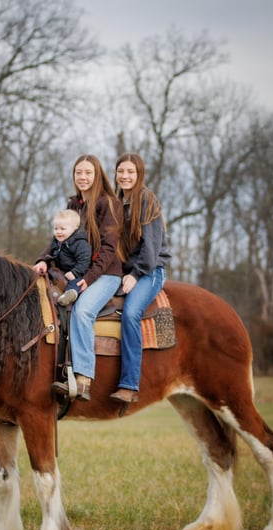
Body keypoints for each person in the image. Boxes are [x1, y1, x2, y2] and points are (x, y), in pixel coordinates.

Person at [33, 154, 122, 401]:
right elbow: (57, 239)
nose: (82, 177)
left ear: (97, 175)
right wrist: (42, 259)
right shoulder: (73, 206)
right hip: (76, 273)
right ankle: (58, 371)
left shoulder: (109, 204)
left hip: (105, 274)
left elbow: (108, 248)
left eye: (88, 173)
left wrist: (89, 278)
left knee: (82, 311)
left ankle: (83, 380)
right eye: (78, 173)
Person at [108, 152, 171, 404]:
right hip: (124, 271)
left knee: (131, 312)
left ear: (139, 174)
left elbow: (152, 247)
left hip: (150, 269)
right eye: (121, 171)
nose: (125, 176)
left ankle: (129, 384)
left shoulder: (147, 200)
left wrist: (136, 274)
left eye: (130, 172)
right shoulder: (115, 202)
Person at [34, 209, 92, 306]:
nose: (58, 232)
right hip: (61, 270)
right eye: (56, 229)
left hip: (76, 271)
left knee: (75, 282)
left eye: (62, 229)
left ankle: (71, 294)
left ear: (75, 228)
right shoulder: (57, 241)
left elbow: (85, 260)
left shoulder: (79, 243)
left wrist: (75, 272)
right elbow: (50, 253)